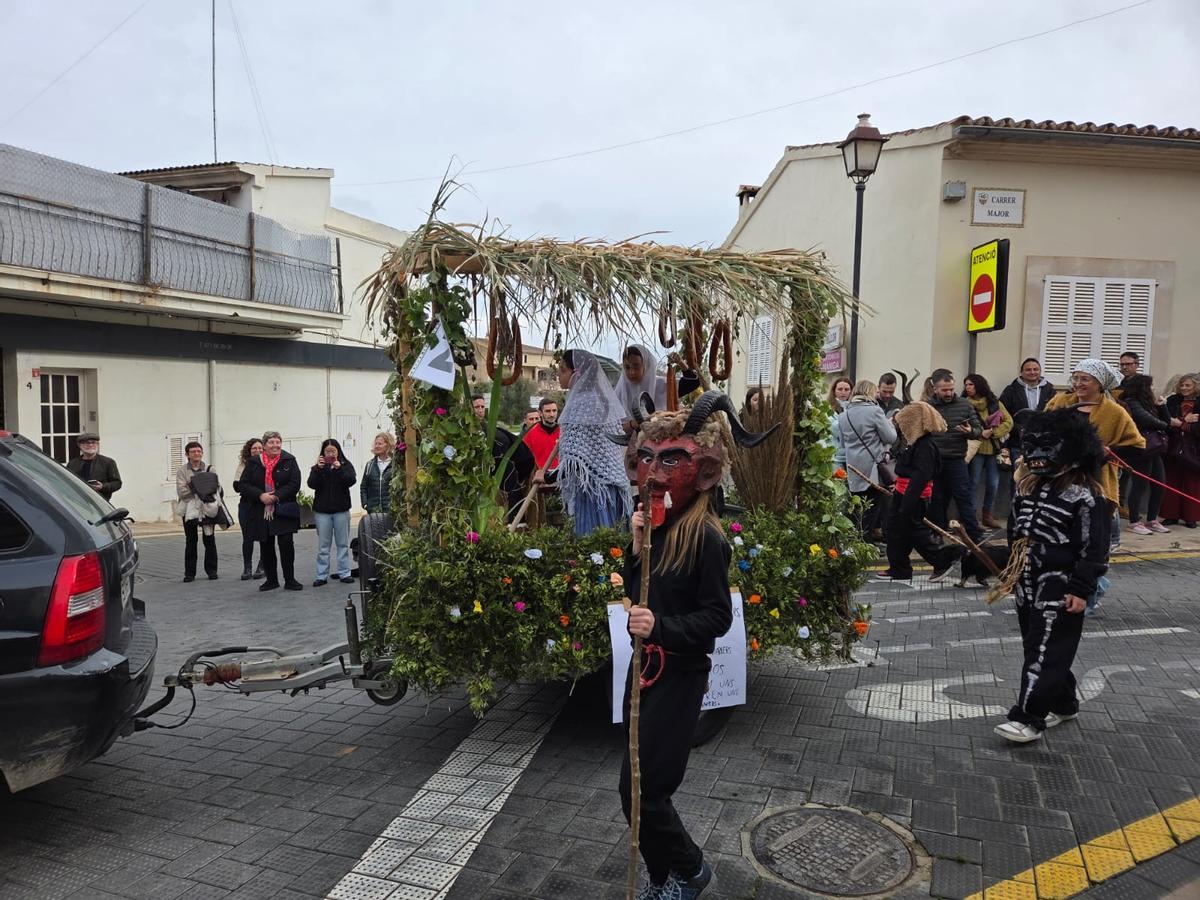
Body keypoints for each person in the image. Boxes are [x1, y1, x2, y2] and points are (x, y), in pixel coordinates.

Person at [620, 391, 770, 900]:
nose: (655, 474)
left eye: (672, 460)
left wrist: (657, 627)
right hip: (643, 669)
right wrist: (637, 548)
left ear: (703, 472)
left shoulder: (707, 537)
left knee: (647, 792)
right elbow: (640, 586)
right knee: (632, 789)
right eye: (646, 459)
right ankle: (665, 875)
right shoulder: (655, 525)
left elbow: (716, 618)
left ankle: (689, 870)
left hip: (677, 676)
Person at [993, 409, 1111, 743]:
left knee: (1045, 650)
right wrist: (1011, 571)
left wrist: (1081, 588)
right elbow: (1015, 531)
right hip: (1027, 579)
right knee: (1039, 647)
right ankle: (1064, 701)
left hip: (1061, 582)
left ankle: (1028, 718)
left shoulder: (1089, 496)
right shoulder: (1027, 487)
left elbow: (1095, 548)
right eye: (1032, 447)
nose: (1037, 456)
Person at [1045, 359, 1144, 614]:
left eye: (1084, 379)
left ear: (1099, 384)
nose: (1077, 384)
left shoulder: (1115, 412)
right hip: (1060, 481)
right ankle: (1060, 590)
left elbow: (1138, 446)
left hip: (1097, 485)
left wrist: (1110, 452)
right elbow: (1040, 431)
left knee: (1094, 544)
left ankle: (1091, 590)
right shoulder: (1059, 404)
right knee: (1062, 541)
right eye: (1075, 378)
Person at [536, 349, 632, 535]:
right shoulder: (600, 400)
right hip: (609, 487)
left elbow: (577, 463)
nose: (559, 375)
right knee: (612, 546)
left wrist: (546, 476)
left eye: (563, 370)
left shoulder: (581, 404)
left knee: (594, 547)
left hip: (593, 494)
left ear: (577, 373)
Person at [878, 401, 961, 582]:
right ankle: (899, 568)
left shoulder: (925, 446)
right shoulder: (915, 443)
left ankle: (940, 561)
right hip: (904, 492)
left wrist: (908, 501)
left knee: (915, 532)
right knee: (895, 530)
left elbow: (920, 477)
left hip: (913, 495)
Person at [237, 430, 303, 592]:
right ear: (265, 445)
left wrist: (276, 496)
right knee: (266, 545)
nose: (275, 445)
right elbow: (243, 485)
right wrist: (260, 495)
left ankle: (290, 579)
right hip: (261, 510)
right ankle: (271, 580)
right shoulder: (254, 462)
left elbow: (295, 484)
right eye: (271, 442)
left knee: (286, 545)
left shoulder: (289, 460)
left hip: (283, 509)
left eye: (278, 442)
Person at [926, 369, 985, 544]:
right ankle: (937, 533)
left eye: (951, 389)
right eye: (944, 390)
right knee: (936, 499)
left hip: (957, 459)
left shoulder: (965, 405)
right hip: (935, 461)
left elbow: (978, 431)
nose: (949, 393)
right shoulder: (928, 407)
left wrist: (970, 431)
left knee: (963, 497)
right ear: (935, 389)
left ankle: (975, 535)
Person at [838, 380, 897, 538]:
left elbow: (843, 443)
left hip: (853, 467)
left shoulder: (844, 415)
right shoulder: (875, 411)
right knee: (872, 507)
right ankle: (864, 542)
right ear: (869, 393)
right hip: (872, 468)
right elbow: (890, 438)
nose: (878, 395)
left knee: (857, 507)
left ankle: (855, 541)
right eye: (876, 392)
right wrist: (890, 424)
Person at [1120, 375, 1171, 535]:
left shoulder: (1148, 404)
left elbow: (1166, 421)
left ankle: (1151, 519)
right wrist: (1163, 424)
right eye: (1151, 386)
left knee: (1160, 484)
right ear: (1143, 388)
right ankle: (1134, 521)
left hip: (1153, 449)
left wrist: (1162, 406)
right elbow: (1152, 422)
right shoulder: (1132, 403)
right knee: (1139, 485)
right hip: (1140, 449)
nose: (1153, 389)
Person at [473, 394, 537, 519]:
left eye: (482, 406)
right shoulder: (479, 432)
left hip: (506, 475)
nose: (480, 410)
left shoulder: (494, 432)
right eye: (476, 407)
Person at [963, 373, 1013, 530]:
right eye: (966, 385)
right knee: (973, 483)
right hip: (975, 449)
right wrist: (979, 433)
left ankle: (987, 515)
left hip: (993, 449)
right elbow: (961, 425)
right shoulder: (964, 403)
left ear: (979, 385)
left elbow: (1009, 421)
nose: (967, 387)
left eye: (970, 384)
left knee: (993, 484)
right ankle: (970, 517)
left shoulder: (994, 402)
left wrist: (993, 432)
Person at [614, 344, 701, 430]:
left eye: (636, 366)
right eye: (627, 367)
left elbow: (692, 383)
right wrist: (633, 424)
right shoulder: (620, 393)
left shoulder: (661, 385)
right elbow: (614, 427)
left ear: (646, 365)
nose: (632, 372)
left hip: (662, 437)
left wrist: (681, 363)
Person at [307, 438, 357, 587]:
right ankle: (321, 575)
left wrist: (339, 468)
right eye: (327, 451)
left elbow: (351, 481)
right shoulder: (317, 467)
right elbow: (311, 484)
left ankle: (344, 573)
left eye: (333, 451)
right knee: (323, 545)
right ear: (323, 453)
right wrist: (318, 469)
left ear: (338, 451)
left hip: (341, 510)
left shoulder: (345, 465)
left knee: (342, 543)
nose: (330, 454)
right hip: (322, 511)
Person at [175, 441, 220, 583]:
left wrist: (194, 486)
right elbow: (182, 492)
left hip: (207, 507)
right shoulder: (182, 470)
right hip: (189, 508)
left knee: (209, 539)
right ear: (187, 454)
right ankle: (190, 573)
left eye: (199, 451)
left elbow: (215, 487)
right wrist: (201, 489)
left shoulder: (209, 468)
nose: (197, 453)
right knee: (191, 540)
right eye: (193, 451)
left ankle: (212, 571)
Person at [1162, 373, 1200, 528]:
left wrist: (1182, 424)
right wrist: (1185, 421)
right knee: (1172, 480)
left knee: (1192, 482)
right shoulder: (1172, 400)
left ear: (1196, 386)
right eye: (1182, 385)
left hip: (1194, 447)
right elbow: (1165, 419)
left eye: (1188, 385)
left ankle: (1190, 517)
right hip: (1174, 444)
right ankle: (1171, 515)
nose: (1184, 388)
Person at [233, 438, 265, 580]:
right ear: (249, 450)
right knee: (247, 537)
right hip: (247, 504)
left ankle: (262, 565)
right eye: (254, 448)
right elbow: (237, 486)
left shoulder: (267, 463)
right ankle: (247, 567)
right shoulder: (244, 464)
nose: (257, 451)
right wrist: (256, 491)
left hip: (263, 505)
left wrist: (249, 488)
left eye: (260, 448)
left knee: (265, 537)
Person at [65, 432, 122, 501]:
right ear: (79, 445)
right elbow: (66, 482)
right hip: (78, 502)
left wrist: (102, 487)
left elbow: (117, 483)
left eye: (94, 442)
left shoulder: (108, 462)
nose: (90, 445)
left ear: (98, 444)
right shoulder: (72, 463)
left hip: (100, 502)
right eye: (87, 443)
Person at [360, 431, 395, 515]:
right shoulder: (370, 465)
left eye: (380, 444)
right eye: (375, 444)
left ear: (388, 445)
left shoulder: (395, 464)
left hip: (391, 510)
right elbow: (364, 486)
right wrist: (365, 503)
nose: (377, 446)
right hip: (373, 511)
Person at [523, 396, 561, 469]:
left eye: (554, 410)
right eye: (548, 411)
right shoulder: (530, 434)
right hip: (540, 477)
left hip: (561, 476)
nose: (552, 414)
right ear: (540, 413)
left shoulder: (564, 432)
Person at [827, 376, 853, 473]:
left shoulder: (854, 407)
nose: (843, 392)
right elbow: (835, 430)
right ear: (834, 391)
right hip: (835, 456)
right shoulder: (827, 408)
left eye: (846, 389)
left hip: (851, 457)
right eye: (840, 389)